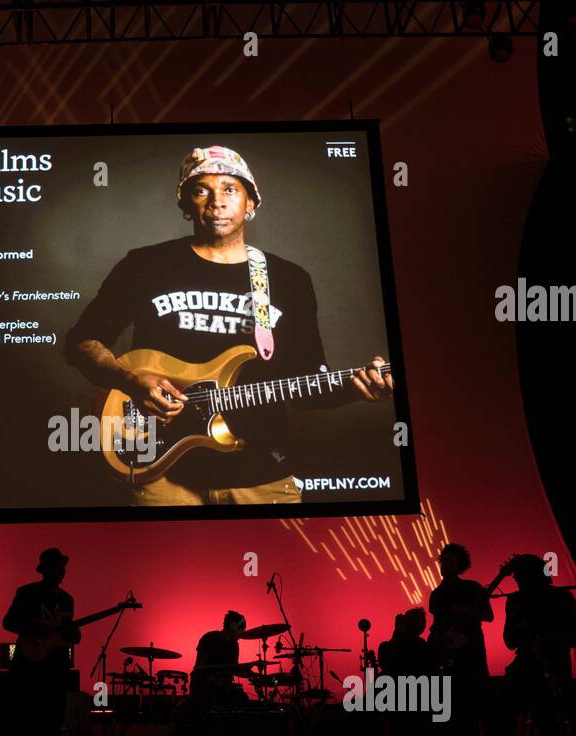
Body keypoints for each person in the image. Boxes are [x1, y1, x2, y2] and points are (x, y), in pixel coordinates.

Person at [66, 144, 393, 506]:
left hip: (262, 473)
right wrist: (130, 381)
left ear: (251, 203)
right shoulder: (145, 264)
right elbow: (82, 341)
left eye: (230, 189)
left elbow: (309, 378)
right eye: (200, 190)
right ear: (185, 204)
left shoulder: (288, 279)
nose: (216, 201)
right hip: (163, 473)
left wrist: (356, 387)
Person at [501, 554, 576, 736]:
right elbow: (510, 640)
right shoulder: (516, 601)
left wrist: (548, 637)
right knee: (500, 704)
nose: (517, 581)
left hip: (551, 671)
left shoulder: (561, 598)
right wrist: (525, 633)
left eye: (521, 577)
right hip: (529, 668)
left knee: (541, 708)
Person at [1, 548, 79, 736]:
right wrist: (34, 628)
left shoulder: (67, 599)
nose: (61, 572)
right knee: (26, 713)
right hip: (28, 662)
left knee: (53, 715)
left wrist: (72, 635)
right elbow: (8, 622)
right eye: (57, 567)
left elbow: (65, 634)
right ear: (45, 570)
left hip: (55, 664)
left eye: (62, 567)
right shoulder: (26, 593)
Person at [427, 544, 493, 736]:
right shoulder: (436, 594)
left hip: (471, 650)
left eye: (451, 561)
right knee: (454, 701)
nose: (445, 564)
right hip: (449, 651)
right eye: (444, 560)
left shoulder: (473, 588)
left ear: (459, 566)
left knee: (472, 700)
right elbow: (437, 624)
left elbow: (488, 615)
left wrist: (466, 612)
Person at [190, 610, 250, 703]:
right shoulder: (209, 638)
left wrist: (250, 671)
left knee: (242, 699)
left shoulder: (234, 645)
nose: (241, 634)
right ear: (233, 627)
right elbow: (199, 667)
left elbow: (233, 669)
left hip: (223, 688)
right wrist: (212, 679)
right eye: (241, 630)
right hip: (203, 687)